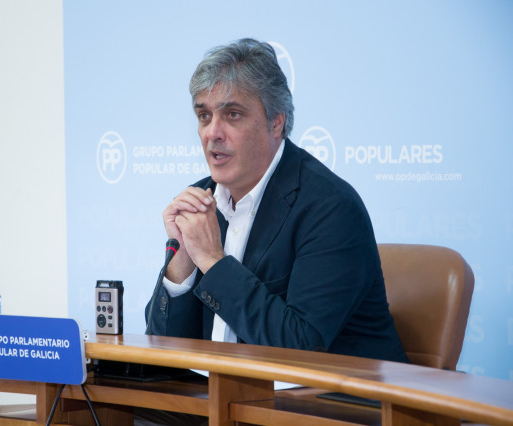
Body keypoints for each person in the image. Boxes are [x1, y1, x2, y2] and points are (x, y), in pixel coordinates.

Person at [145, 38, 408, 364]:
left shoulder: (331, 209)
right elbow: (161, 352)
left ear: (276, 122)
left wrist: (213, 262)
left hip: (335, 405)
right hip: (222, 401)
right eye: (204, 116)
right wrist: (182, 263)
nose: (213, 132)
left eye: (233, 114)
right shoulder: (202, 202)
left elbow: (301, 347)